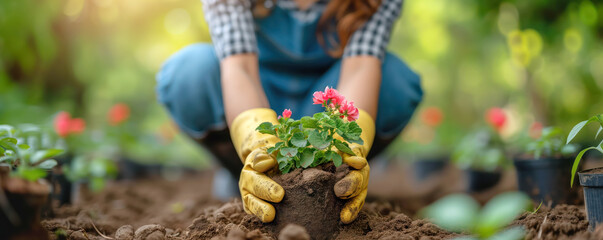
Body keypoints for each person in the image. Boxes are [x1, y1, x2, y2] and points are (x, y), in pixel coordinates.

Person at [156, 0, 422, 224]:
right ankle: (245, 172)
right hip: (254, 92)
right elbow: (240, 68)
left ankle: (336, 183)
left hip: (328, 98)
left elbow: (361, 66)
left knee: (396, 82)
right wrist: (256, 146)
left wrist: (347, 146)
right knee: (188, 72)